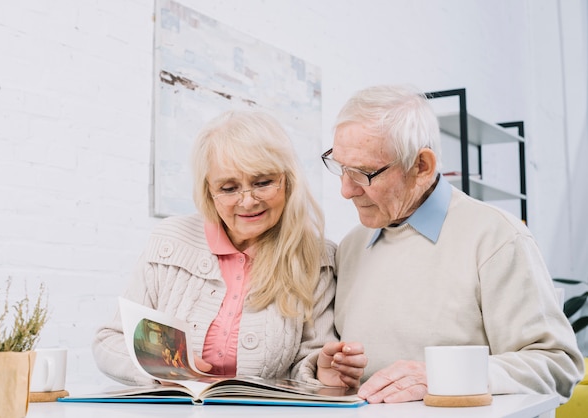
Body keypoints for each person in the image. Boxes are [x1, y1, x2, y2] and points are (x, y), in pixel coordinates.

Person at [320, 84, 585, 403]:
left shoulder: (496, 237)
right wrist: (334, 374)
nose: (346, 191)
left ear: (422, 167)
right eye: (340, 168)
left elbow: (558, 365)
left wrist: (447, 376)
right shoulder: (350, 247)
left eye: (363, 173)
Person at [93, 110, 365, 388]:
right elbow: (110, 340)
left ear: (288, 181)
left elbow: (309, 358)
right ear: (208, 191)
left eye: (263, 183)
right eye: (229, 187)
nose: (247, 201)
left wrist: (321, 372)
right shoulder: (170, 242)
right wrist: (159, 371)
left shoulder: (316, 258)